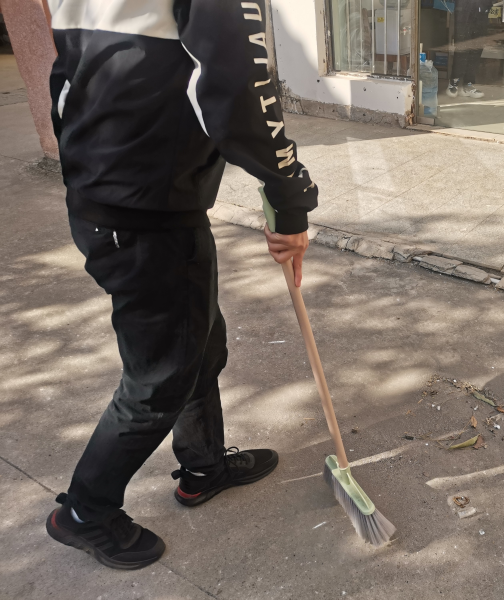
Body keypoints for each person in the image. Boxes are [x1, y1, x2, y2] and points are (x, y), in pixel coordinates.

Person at [44, 0, 317, 569]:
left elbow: (65, 76)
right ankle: (86, 512)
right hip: (144, 210)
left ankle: (203, 465)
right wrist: (289, 196)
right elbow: (241, 86)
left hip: (119, 197)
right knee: (158, 377)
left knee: (199, 344)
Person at [446, 0, 492, 99]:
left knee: (477, 45)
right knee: (462, 43)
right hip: (464, 5)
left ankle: (468, 83)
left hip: (483, 6)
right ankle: (454, 81)